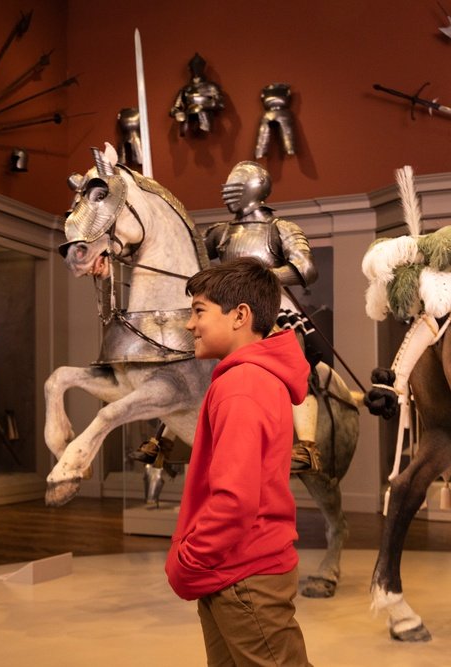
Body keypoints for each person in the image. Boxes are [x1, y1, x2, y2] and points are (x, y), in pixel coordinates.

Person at [165, 258, 311, 667]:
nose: (191, 325)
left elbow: (234, 500)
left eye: (199, 311)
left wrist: (189, 559)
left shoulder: (242, 384)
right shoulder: (243, 379)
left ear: (240, 316)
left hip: (243, 575)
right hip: (232, 571)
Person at [204, 160, 321, 472]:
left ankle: (307, 444)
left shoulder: (281, 229)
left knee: (293, 353)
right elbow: (189, 257)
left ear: (254, 190)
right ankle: (164, 435)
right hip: (226, 307)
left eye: (235, 186)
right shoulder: (219, 233)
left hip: (272, 305)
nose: (228, 192)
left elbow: (306, 269)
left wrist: (259, 277)